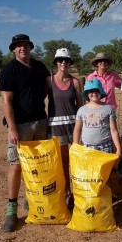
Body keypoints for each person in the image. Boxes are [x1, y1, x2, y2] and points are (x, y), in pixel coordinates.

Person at [0, 34, 50, 232]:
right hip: (20, 126)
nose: (22, 49)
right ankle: (11, 210)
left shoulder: (39, 66)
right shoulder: (9, 70)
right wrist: (12, 128)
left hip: (40, 121)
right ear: (13, 49)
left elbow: (47, 88)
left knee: (37, 164)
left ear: (30, 47)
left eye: (25, 45)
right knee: (16, 165)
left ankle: (33, 199)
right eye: (18, 46)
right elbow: (6, 101)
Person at [47, 48, 84, 209]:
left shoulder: (75, 82)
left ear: (70, 63)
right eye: (60, 60)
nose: (63, 63)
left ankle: (80, 192)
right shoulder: (49, 81)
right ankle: (67, 193)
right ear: (56, 62)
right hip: (56, 128)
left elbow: (81, 106)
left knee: (78, 161)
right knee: (63, 163)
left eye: (66, 60)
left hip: (73, 126)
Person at [72, 78, 122, 156]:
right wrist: (75, 146)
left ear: (100, 92)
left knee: (106, 168)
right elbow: (77, 129)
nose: (94, 93)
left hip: (105, 146)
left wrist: (118, 149)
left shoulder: (108, 108)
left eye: (96, 90)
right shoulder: (81, 110)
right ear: (87, 94)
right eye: (91, 91)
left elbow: (113, 130)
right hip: (87, 147)